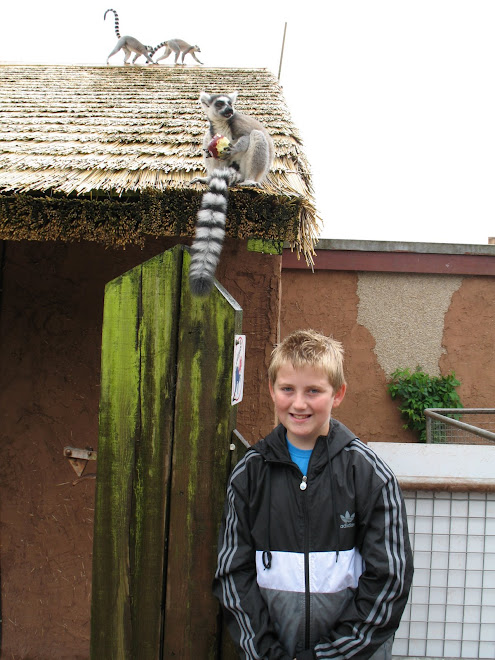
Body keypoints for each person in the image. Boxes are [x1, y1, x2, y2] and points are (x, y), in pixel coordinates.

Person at [213, 329, 413, 659]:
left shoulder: (369, 476)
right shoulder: (249, 476)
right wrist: (265, 653)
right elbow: (233, 576)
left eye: (314, 391)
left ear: (338, 394)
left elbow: (389, 581)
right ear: (271, 390)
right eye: (287, 389)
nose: (299, 403)